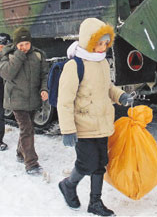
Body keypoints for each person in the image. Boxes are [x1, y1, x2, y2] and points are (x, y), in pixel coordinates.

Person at [57, 18, 135, 216]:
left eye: (105, 43)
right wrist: (67, 130)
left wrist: (120, 96)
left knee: (100, 163)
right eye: (99, 43)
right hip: (82, 125)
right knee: (87, 163)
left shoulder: (101, 63)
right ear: (88, 42)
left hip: (102, 123)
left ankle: (95, 203)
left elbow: (107, 87)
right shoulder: (74, 66)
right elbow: (64, 101)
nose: (103, 47)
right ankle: (68, 185)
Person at [0, 27, 49, 175]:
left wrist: (44, 89)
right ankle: (31, 163)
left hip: (33, 99)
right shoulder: (8, 55)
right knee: (27, 129)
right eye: (20, 45)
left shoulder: (38, 55)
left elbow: (44, 75)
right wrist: (19, 55)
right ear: (15, 44)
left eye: (26, 44)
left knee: (27, 128)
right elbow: (7, 73)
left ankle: (20, 153)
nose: (24, 47)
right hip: (16, 99)